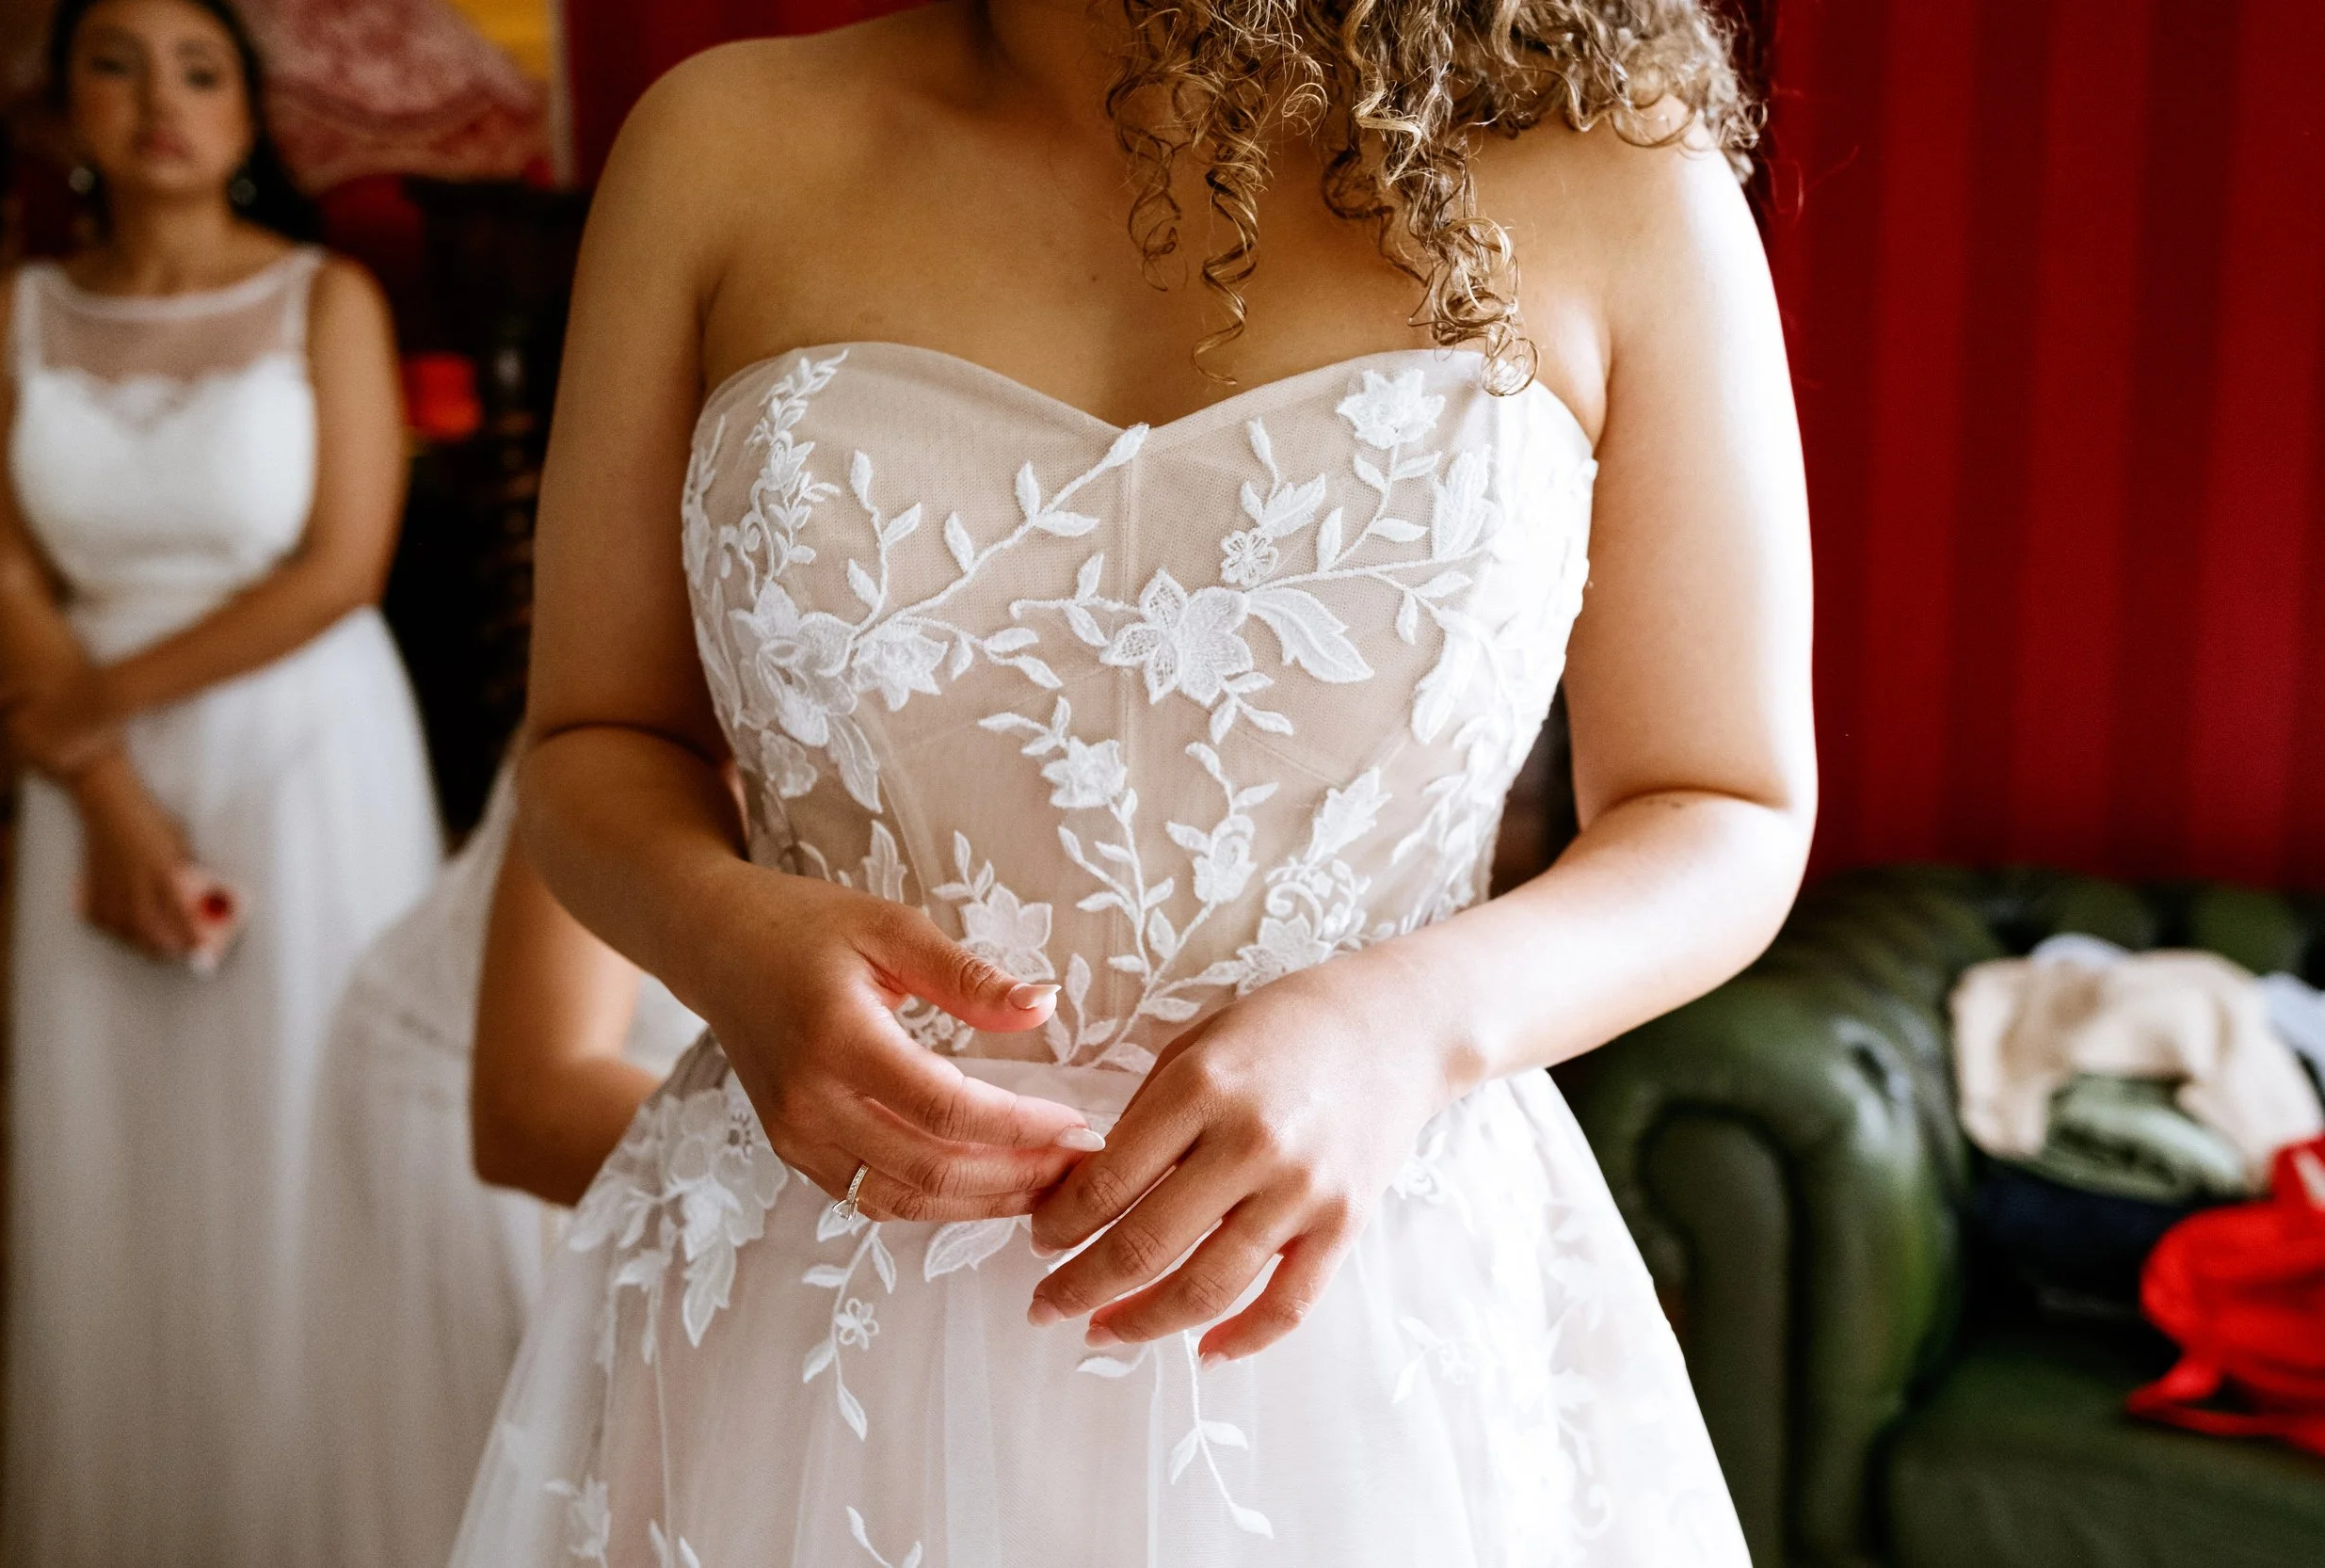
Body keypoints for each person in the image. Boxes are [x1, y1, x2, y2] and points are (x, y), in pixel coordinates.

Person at [452, 2, 1814, 1563]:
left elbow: (1723, 806)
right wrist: (728, 939)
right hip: (818, 1300)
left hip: (1353, 1311)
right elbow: (592, 740)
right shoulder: (720, 145)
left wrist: (1399, 1028)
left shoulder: (1619, 178)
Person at [0, 1, 441, 1560]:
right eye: (114, 62)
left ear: (249, 119)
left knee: (312, 1125)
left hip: (298, 743)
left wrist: (81, 712)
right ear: (63, 114)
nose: (159, 98)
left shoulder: (330, 299)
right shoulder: (12, 317)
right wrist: (105, 796)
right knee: (129, 1150)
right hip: (89, 773)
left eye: (199, 68)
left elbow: (337, 569)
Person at [298, 760, 708, 1568]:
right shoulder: (699, 705)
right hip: (457, 1088)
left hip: (670, 1104)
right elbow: (528, 1108)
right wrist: (858, 1189)